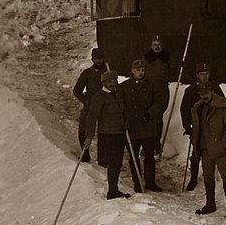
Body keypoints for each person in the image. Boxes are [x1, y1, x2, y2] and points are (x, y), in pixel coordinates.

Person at [191, 69, 226, 217]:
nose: (204, 96)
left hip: (220, 148)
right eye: (201, 94)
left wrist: (223, 144)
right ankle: (210, 204)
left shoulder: (223, 105)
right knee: (208, 177)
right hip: (205, 148)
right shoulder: (198, 108)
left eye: (206, 93)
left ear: (212, 91)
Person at [121, 59, 168, 192]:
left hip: (148, 126)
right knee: (133, 156)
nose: (141, 72)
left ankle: (150, 182)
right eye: (138, 70)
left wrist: (150, 114)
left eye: (143, 70)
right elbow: (119, 104)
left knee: (149, 156)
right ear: (132, 71)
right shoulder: (123, 87)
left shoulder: (152, 85)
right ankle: (137, 183)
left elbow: (159, 102)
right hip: (132, 127)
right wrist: (124, 119)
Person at [84, 70, 129, 200]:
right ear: (103, 83)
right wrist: (89, 136)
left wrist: (125, 123)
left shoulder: (117, 95)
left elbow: (122, 112)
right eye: (109, 82)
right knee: (113, 163)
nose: (112, 84)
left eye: (114, 81)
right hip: (108, 135)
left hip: (119, 133)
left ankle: (114, 189)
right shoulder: (99, 97)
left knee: (117, 163)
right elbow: (92, 117)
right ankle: (112, 191)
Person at [179, 63, 221, 191]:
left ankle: (212, 177)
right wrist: (188, 126)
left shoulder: (215, 88)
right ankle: (193, 179)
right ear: (197, 75)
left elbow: (222, 104)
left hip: (212, 127)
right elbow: (184, 109)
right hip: (197, 127)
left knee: (212, 151)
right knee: (196, 153)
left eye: (207, 74)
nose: (204, 77)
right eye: (202, 74)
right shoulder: (191, 90)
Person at [71, 47, 107, 163]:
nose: (99, 61)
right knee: (83, 129)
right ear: (92, 59)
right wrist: (86, 101)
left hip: (105, 106)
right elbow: (77, 90)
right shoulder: (87, 73)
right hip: (90, 106)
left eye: (101, 58)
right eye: (96, 59)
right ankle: (85, 155)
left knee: (104, 132)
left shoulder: (108, 73)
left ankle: (103, 158)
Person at [143, 35, 171, 138]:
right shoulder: (146, 58)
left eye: (159, 44)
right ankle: (149, 140)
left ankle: (157, 141)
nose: (157, 47)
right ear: (151, 46)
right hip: (149, 89)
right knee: (149, 114)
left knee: (158, 115)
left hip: (162, 89)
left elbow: (175, 70)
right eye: (154, 44)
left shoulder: (167, 57)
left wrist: (181, 66)